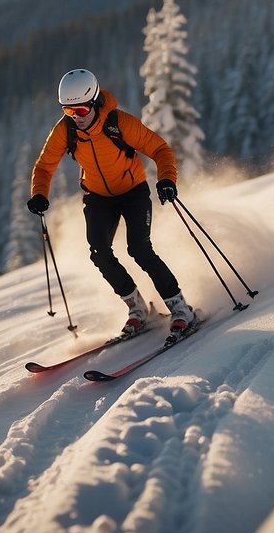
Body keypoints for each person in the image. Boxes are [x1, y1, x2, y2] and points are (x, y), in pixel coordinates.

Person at [27, 68, 196, 338]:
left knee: (139, 250)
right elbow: (44, 166)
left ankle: (180, 308)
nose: (75, 118)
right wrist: (39, 194)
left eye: (80, 111)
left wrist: (166, 179)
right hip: (98, 197)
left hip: (133, 192)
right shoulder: (65, 130)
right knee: (99, 253)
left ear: (94, 103)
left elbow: (160, 149)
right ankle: (136, 308)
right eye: (68, 111)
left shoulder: (119, 123)